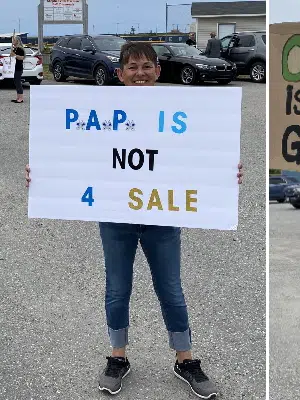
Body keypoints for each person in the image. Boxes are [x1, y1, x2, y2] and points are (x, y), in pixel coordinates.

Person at [24, 42, 244, 399]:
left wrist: (225, 173)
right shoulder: (103, 111)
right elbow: (73, 154)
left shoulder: (183, 110)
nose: (139, 73)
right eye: (132, 67)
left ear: (158, 71)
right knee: (117, 289)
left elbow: (203, 155)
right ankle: (118, 356)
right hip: (116, 215)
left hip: (162, 214)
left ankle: (185, 359)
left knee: (171, 289)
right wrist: (43, 174)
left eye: (146, 67)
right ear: (120, 73)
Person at [10, 35, 25, 104]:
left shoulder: (20, 49)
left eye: (14, 40)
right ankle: (18, 97)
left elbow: (22, 58)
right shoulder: (15, 49)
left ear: (17, 41)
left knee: (18, 82)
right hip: (14, 67)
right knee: (16, 82)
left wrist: (15, 55)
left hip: (18, 68)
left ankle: (21, 98)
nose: (12, 41)